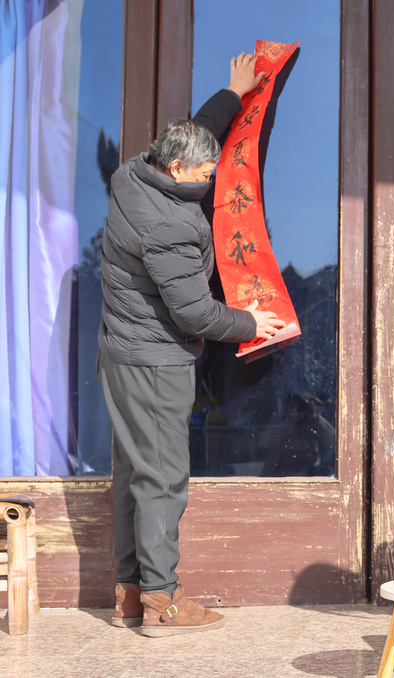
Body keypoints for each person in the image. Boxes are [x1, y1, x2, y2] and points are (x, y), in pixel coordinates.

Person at [98, 53, 285, 636]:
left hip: (122, 353)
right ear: (176, 169)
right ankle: (162, 600)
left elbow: (195, 132)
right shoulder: (170, 227)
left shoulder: (134, 173)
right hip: (155, 362)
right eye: (205, 175)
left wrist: (232, 93)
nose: (211, 182)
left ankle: (130, 593)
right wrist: (253, 323)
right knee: (162, 479)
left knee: (134, 473)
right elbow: (195, 312)